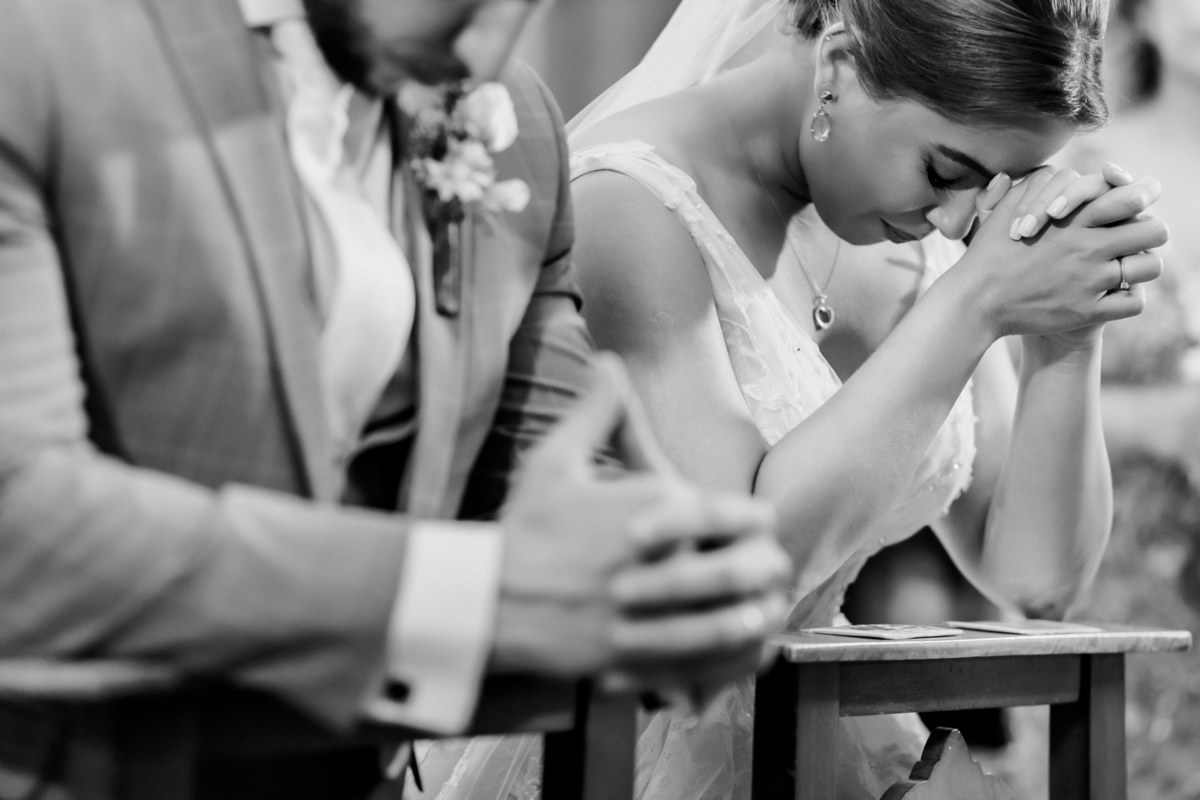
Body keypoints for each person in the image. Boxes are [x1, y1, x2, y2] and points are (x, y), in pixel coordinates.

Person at [0, 1, 797, 798]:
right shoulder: (41, 51)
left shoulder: (512, 127)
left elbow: (550, 479)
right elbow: (17, 523)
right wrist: (457, 592)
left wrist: (667, 572)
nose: (489, 46)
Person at [410, 0, 1169, 798]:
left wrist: (1069, 334)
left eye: (991, 194)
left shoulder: (922, 245)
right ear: (837, 64)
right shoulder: (625, 206)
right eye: (946, 173)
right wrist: (975, 304)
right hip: (623, 755)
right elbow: (743, 576)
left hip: (829, 732)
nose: (952, 220)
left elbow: (1036, 579)